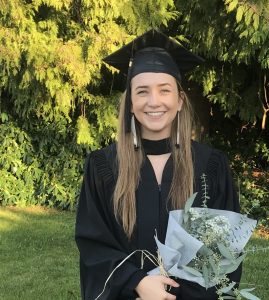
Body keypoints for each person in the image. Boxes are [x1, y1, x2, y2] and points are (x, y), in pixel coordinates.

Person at [75, 30, 242, 300]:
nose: (154, 101)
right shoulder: (103, 166)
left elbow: (222, 255)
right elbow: (94, 246)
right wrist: (136, 282)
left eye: (164, 90)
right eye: (142, 92)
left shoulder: (210, 167)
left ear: (179, 101)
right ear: (131, 103)